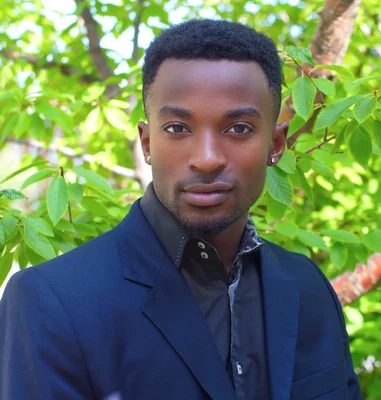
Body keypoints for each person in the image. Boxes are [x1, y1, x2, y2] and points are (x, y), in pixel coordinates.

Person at [0, 19, 362, 400]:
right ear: (147, 142)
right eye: (177, 128)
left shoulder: (307, 286)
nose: (206, 160)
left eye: (238, 128)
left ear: (276, 145)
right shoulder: (51, 300)